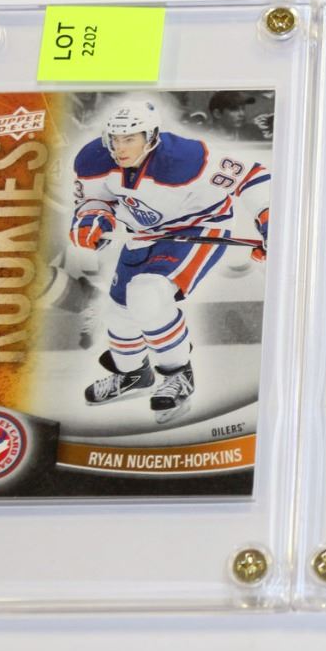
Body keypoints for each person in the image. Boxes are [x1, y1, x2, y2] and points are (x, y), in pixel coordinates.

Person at [70, 100, 270, 421]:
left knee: (148, 295)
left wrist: (270, 221)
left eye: (130, 139)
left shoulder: (186, 158)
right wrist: (92, 218)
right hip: (143, 233)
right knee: (119, 313)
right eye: (115, 139)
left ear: (151, 136)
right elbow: (95, 199)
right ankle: (133, 375)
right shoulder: (93, 158)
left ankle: (178, 374)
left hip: (198, 226)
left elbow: (251, 176)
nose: (120, 148)